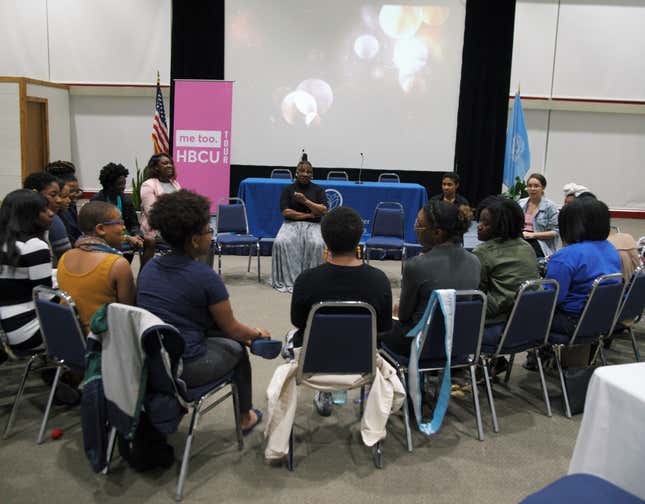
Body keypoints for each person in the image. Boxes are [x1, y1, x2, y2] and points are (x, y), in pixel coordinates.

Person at [137, 189, 268, 434]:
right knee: (238, 351)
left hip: (149, 360)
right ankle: (245, 417)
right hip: (183, 367)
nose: (212, 235)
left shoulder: (149, 268)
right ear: (195, 240)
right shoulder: (206, 278)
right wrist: (257, 334)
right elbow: (233, 329)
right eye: (209, 230)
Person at [289, 206, 393, 416]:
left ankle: (325, 391)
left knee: (290, 338)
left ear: (324, 239)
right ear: (360, 237)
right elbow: (383, 328)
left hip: (314, 362)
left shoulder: (306, 280)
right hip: (363, 362)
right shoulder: (379, 280)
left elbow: (298, 322)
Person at [379, 200, 480, 355]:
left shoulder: (416, 265)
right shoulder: (475, 261)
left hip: (421, 343)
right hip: (460, 342)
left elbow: (404, 316)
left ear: (437, 233)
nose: (415, 228)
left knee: (376, 327)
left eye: (419, 224)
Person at [545, 197, 621, 337]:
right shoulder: (610, 248)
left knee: (517, 315)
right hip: (604, 318)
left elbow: (550, 299)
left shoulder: (565, 256)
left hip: (573, 321)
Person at [57, 201, 136, 332]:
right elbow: (129, 314)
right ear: (100, 229)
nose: (123, 228)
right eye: (120, 223)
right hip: (101, 340)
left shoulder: (66, 256)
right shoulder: (117, 264)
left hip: (69, 335)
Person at [0, 189, 54, 351]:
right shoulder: (34, 246)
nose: (51, 213)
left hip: (6, 328)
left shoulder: (6, 243)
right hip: (28, 331)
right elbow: (46, 298)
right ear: (28, 216)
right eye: (44, 210)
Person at [473, 197, 539, 324]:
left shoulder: (482, 252)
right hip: (528, 320)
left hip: (498, 322)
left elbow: (477, 292)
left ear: (501, 225)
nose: (479, 226)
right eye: (479, 221)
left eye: (486, 223)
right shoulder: (527, 246)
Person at [271, 154, 328, 292]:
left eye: (308, 172)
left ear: (312, 175)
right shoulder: (288, 189)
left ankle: (312, 280)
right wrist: (308, 214)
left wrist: (305, 201)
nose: (305, 174)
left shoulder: (318, 190)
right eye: (302, 171)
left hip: (313, 225)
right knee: (280, 242)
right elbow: (286, 212)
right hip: (291, 224)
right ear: (296, 173)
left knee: (318, 243)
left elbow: (323, 210)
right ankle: (289, 280)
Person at [92, 162, 154, 262]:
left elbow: (134, 224)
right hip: (108, 237)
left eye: (124, 184)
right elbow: (100, 230)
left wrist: (137, 235)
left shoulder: (126, 200)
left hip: (127, 237)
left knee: (149, 241)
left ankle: (142, 274)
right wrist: (128, 238)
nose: (123, 187)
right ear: (109, 185)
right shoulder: (98, 201)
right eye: (120, 184)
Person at [139, 153, 181, 265]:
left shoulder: (175, 184)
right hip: (155, 230)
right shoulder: (148, 185)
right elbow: (153, 214)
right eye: (165, 163)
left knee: (201, 237)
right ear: (156, 167)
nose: (169, 166)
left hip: (175, 228)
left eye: (170, 163)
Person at [23, 172, 72, 266]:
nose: (59, 200)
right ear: (35, 195)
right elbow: (67, 261)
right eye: (53, 195)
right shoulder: (53, 220)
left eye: (59, 195)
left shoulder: (56, 218)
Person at [518, 173, 559, 258]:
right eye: (529, 186)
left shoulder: (550, 207)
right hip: (520, 239)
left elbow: (555, 232)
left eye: (536, 186)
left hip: (539, 243)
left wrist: (533, 235)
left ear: (543, 188)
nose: (532, 189)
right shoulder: (521, 203)